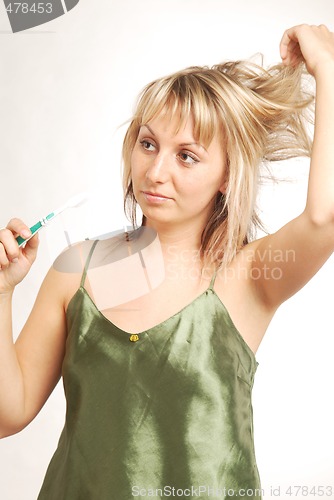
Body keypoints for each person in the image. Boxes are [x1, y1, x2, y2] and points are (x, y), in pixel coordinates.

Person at [0, 24, 333, 500]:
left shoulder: (249, 276)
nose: (156, 172)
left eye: (188, 157)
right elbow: (7, 415)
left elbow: (325, 218)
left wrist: (328, 68)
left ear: (227, 176)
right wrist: (2, 291)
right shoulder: (76, 271)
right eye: (149, 143)